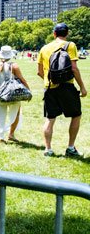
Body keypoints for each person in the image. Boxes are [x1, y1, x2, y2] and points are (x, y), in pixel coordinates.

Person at [37, 23, 87, 157]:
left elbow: (39, 72)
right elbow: (74, 68)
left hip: (49, 87)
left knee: (50, 118)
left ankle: (48, 149)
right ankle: (70, 148)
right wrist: (82, 87)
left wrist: (48, 81)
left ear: (54, 34)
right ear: (67, 33)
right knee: (76, 115)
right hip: (66, 86)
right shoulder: (70, 45)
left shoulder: (44, 48)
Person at [0, 46, 30, 143]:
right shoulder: (14, 66)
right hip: (12, 94)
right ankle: (11, 134)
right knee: (15, 114)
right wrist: (28, 90)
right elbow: (22, 79)